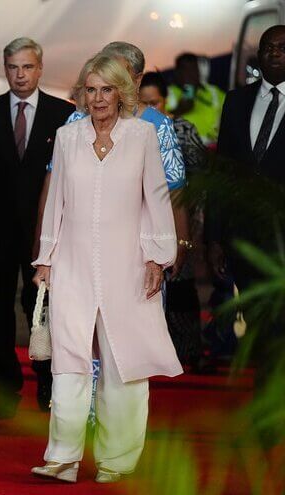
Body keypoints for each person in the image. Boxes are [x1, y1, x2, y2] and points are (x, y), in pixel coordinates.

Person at [31, 54, 183, 484]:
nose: (98, 99)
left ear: (122, 92)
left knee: (124, 363)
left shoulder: (142, 136)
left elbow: (157, 200)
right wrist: (45, 258)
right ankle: (62, 457)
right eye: (91, 90)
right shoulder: (66, 137)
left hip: (129, 265)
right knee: (69, 359)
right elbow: (55, 200)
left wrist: (158, 255)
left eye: (107, 89)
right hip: (72, 264)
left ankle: (117, 460)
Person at [0, 37, 74, 417]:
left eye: (27, 67)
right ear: (5, 69)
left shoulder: (62, 113)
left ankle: (47, 380)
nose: (20, 74)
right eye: (14, 67)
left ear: (40, 68)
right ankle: (4, 390)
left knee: (42, 307)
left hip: (45, 230)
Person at [210, 25, 285, 394]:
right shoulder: (236, 101)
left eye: (283, 47)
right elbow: (221, 170)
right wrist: (214, 236)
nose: (275, 52)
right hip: (243, 237)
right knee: (258, 327)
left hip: (282, 239)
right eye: (269, 47)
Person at [140, 72, 208, 369]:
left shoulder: (181, 130)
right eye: (144, 103)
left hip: (179, 217)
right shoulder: (130, 129)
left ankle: (189, 351)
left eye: (154, 102)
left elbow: (199, 179)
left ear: (166, 100)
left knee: (180, 287)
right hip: (142, 224)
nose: (150, 109)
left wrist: (191, 226)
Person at [167, 53, 225, 145]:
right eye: (187, 70)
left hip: (216, 148)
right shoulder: (169, 94)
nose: (192, 74)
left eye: (195, 69)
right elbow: (186, 105)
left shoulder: (213, 91)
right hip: (188, 150)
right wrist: (189, 87)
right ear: (177, 73)